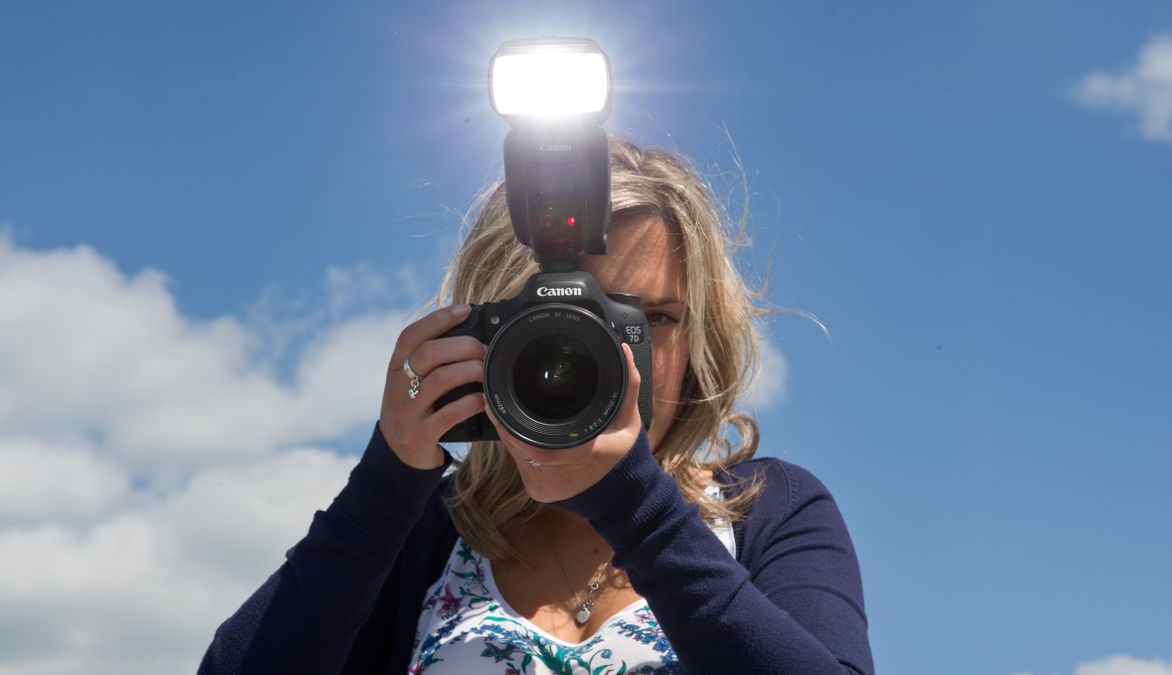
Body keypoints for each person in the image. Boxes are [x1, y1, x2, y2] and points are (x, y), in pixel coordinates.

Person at [198, 138, 873, 674]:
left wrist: (637, 507)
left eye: (653, 318)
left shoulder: (770, 510)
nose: (608, 355)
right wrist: (385, 484)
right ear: (490, 328)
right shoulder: (424, 542)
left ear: (702, 341)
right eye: (573, 321)